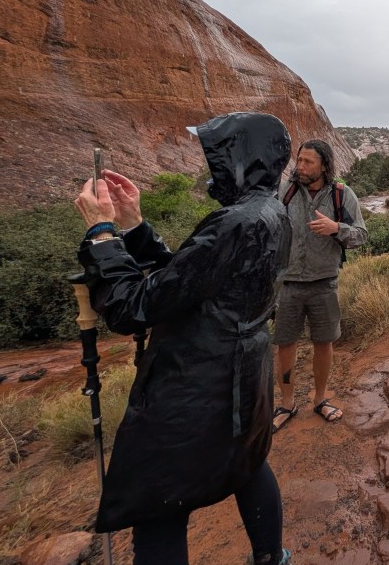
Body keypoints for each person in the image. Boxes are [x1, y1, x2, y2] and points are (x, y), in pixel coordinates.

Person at [73, 112, 293, 565]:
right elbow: (194, 277)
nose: (211, 166)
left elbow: (134, 308)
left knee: (159, 505)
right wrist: (134, 227)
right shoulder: (272, 212)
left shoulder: (234, 222)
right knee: (248, 465)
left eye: (218, 155)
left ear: (239, 159)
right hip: (245, 376)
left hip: (195, 387)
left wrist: (102, 236)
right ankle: (272, 558)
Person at [272, 139, 367, 430]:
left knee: (323, 343)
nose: (299, 167)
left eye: (307, 162)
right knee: (285, 343)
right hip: (287, 283)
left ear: (324, 165)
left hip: (324, 283)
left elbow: (362, 235)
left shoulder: (341, 194)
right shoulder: (285, 191)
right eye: (298, 160)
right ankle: (287, 404)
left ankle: (321, 399)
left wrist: (336, 228)